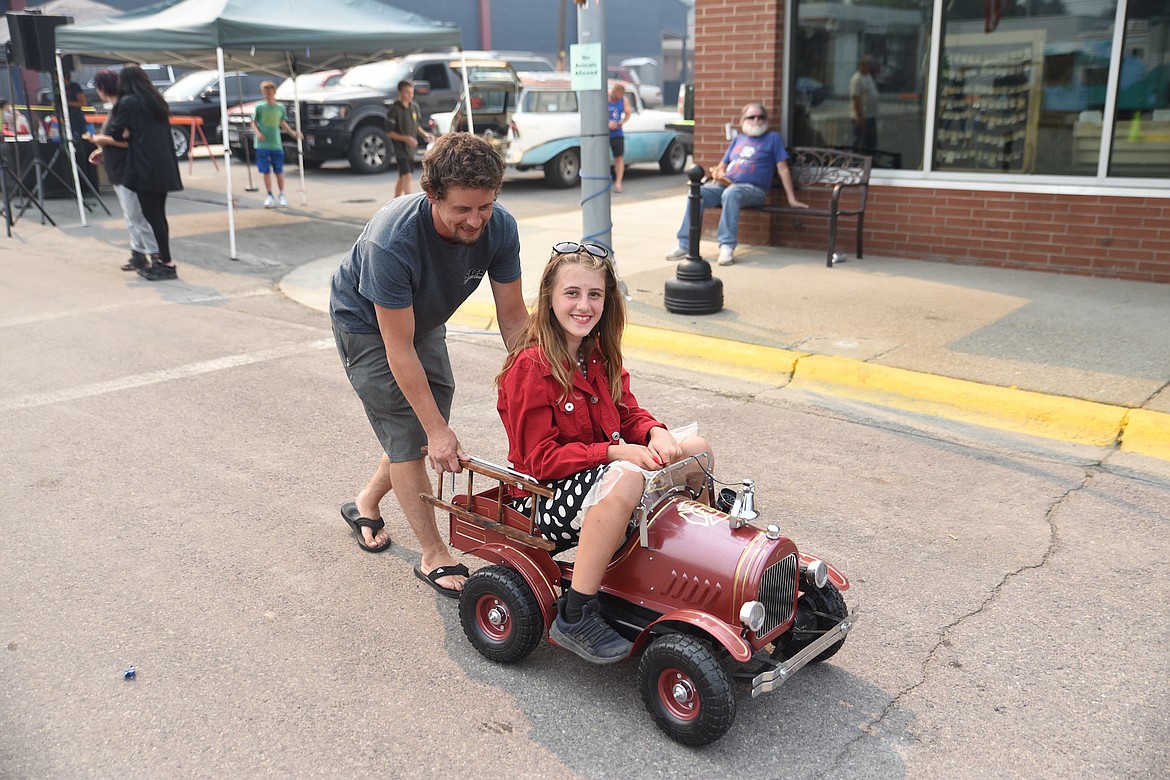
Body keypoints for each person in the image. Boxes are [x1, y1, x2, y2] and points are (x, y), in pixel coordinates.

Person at [330, 132, 529, 595]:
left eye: (485, 205)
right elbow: (397, 348)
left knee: (422, 428)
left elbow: (515, 317)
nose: (475, 220)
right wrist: (437, 431)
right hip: (367, 325)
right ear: (432, 194)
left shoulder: (499, 227)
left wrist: (537, 376)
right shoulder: (392, 241)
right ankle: (433, 554)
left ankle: (365, 503)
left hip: (422, 318)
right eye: (462, 209)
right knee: (412, 430)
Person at [497, 242, 713, 664]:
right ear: (550, 298)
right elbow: (540, 459)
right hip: (544, 498)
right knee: (628, 476)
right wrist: (615, 453)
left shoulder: (597, 352)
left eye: (594, 295)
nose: (584, 305)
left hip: (600, 474)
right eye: (572, 293)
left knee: (697, 451)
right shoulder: (530, 366)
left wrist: (654, 432)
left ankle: (696, 561)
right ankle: (576, 613)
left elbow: (628, 411)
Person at [665, 102, 807, 266]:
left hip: (753, 190)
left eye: (760, 117)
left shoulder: (773, 139)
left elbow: (783, 169)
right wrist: (720, 173)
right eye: (751, 117)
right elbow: (722, 164)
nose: (756, 120)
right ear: (743, 120)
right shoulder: (739, 139)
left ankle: (726, 246)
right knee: (698, 193)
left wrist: (792, 199)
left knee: (732, 193)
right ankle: (685, 245)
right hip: (725, 185)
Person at [104, 65, 184, 281]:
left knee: (151, 217)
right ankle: (164, 261)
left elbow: (115, 134)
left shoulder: (127, 103)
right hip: (164, 165)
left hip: (144, 167)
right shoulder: (156, 101)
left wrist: (127, 130)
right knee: (159, 216)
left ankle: (165, 264)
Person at [87, 69, 158, 272]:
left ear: (103, 88)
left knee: (136, 215)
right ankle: (138, 253)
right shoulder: (117, 107)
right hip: (117, 168)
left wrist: (103, 141)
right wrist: (103, 148)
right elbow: (119, 139)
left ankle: (153, 254)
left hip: (128, 169)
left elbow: (131, 141)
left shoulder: (125, 107)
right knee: (130, 216)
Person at [252, 80, 302, 208]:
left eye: (269, 92)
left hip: (276, 144)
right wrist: (258, 133)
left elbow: (282, 123)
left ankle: (281, 194)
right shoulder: (260, 107)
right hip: (262, 145)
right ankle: (269, 194)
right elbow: (253, 122)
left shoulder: (280, 107)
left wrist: (293, 133)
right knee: (265, 171)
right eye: (265, 92)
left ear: (274, 92)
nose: (267, 95)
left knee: (279, 170)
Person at [386, 80, 434, 197]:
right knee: (407, 175)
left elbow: (416, 126)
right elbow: (389, 133)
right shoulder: (394, 110)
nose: (410, 95)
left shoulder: (414, 107)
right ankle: (410, 203)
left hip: (411, 150)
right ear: (400, 92)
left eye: (412, 93)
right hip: (400, 149)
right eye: (407, 92)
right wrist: (406, 138)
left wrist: (425, 135)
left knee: (403, 176)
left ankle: (395, 201)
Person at [849, 54, 880, 151]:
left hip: (870, 116)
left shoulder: (868, 76)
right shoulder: (857, 79)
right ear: (862, 65)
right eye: (869, 64)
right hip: (862, 118)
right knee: (860, 144)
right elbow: (855, 98)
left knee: (871, 143)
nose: (871, 67)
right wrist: (859, 116)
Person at [607, 82, 629, 193]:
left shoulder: (623, 100)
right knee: (603, 157)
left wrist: (622, 121)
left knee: (619, 157)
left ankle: (618, 182)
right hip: (606, 133)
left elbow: (628, 112)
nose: (617, 99)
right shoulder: (605, 98)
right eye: (616, 97)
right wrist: (607, 124)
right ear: (614, 92)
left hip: (617, 133)